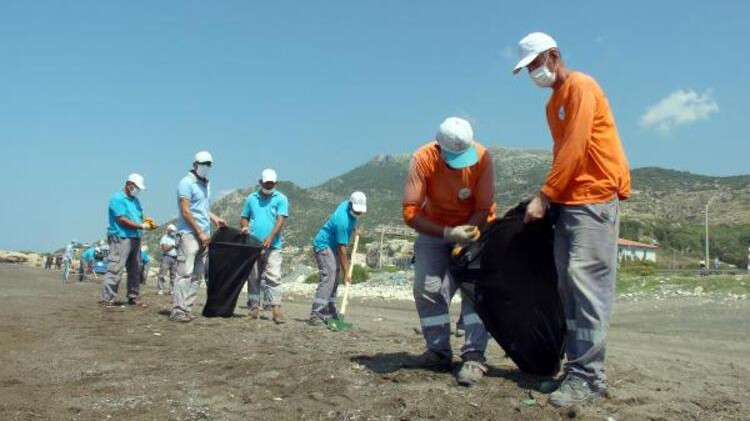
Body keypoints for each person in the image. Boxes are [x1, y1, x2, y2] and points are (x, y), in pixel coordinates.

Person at [513, 32, 631, 406]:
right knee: (570, 290)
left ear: (554, 55)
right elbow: (562, 152)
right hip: (570, 202)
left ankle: (590, 379)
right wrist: (552, 197)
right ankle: (577, 369)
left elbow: (578, 147)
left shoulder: (581, 86)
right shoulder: (553, 104)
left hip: (594, 199)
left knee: (588, 289)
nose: (533, 72)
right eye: (528, 67)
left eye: (535, 63)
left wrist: (544, 195)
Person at [402, 117, 496, 386]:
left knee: (475, 291)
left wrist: (466, 235)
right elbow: (410, 212)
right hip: (435, 228)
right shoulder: (422, 159)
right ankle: (438, 351)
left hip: (476, 228)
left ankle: (474, 356)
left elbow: (483, 206)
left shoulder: (483, 158)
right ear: (440, 148)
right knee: (427, 287)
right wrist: (446, 234)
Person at [169, 151, 226, 322]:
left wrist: (214, 218)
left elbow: (201, 208)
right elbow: (186, 210)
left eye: (209, 164)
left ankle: (187, 308)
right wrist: (199, 232)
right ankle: (178, 310)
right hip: (189, 234)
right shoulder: (186, 183)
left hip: (204, 236)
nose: (206, 167)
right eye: (203, 164)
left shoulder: (205, 184)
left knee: (197, 274)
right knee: (185, 273)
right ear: (195, 164)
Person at [308, 192, 366, 326]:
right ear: (351, 205)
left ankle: (330, 311)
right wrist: (347, 272)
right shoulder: (342, 221)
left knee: (334, 279)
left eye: (360, 211)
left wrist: (354, 230)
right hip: (324, 245)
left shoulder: (345, 205)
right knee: (329, 276)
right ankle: (316, 315)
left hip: (333, 246)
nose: (358, 214)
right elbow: (342, 250)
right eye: (356, 211)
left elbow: (350, 224)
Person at [99, 173, 157, 307]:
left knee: (135, 268)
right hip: (120, 237)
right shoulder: (117, 198)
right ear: (129, 184)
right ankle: (107, 298)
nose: (138, 190)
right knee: (115, 267)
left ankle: (133, 296)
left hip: (135, 237)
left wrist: (147, 222)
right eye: (137, 187)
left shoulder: (135, 201)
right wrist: (142, 226)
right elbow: (122, 219)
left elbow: (138, 217)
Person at [240, 168, 290, 324]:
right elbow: (244, 217)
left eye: (272, 184)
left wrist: (270, 237)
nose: (269, 186)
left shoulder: (281, 198)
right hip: (253, 245)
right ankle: (253, 309)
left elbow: (280, 221)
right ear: (260, 182)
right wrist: (245, 227)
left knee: (273, 277)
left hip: (273, 246)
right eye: (266, 183)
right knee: (253, 277)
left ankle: (276, 311)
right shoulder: (251, 199)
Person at [157, 224, 179, 295]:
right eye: (172, 231)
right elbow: (165, 249)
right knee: (162, 274)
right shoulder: (164, 238)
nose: (173, 232)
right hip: (166, 257)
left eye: (174, 231)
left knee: (173, 275)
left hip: (175, 258)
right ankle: (160, 289)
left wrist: (177, 245)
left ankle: (171, 290)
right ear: (168, 231)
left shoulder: (175, 238)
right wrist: (173, 245)